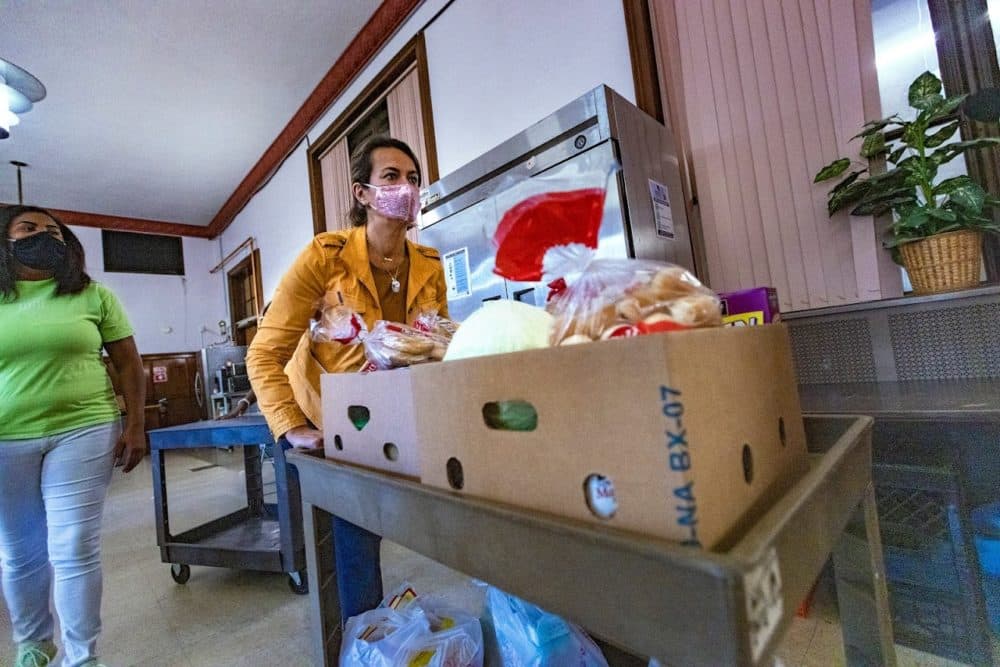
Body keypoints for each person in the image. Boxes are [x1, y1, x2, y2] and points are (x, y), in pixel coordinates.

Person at [246, 136, 449, 619]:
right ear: (362, 194)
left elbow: (435, 344)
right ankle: (363, 634)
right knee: (354, 539)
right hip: (329, 418)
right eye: (392, 177)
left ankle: (380, 629)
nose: (406, 188)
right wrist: (292, 426)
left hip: (396, 414)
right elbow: (264, 353)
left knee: (406, 520)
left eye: (414, 179)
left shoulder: (430, 265)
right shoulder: (325, 257)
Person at [0, 206, 146, 667]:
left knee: (74, 545)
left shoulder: (92, 295)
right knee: (20, 552)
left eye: (54, 231)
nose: (44, 235)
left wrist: (136, 424)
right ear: (5, 240)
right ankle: (34, 646)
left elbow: (128, 363)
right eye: (28, 228)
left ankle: (82, 657)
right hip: (5, 439)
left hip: (83, 429)